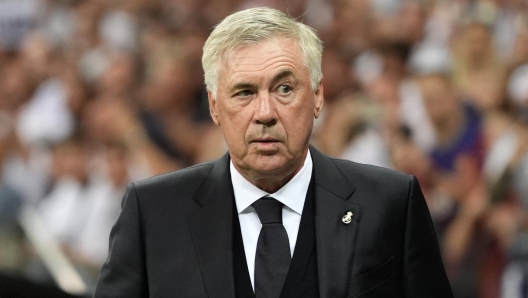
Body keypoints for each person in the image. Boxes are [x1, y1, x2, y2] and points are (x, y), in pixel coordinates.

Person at [94, 7, 453, 298]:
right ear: (214, 106)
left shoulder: (390, 203)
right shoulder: (154, 212)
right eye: (244, 92)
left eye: (284, 88)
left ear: (317, 96)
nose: (265, 113)